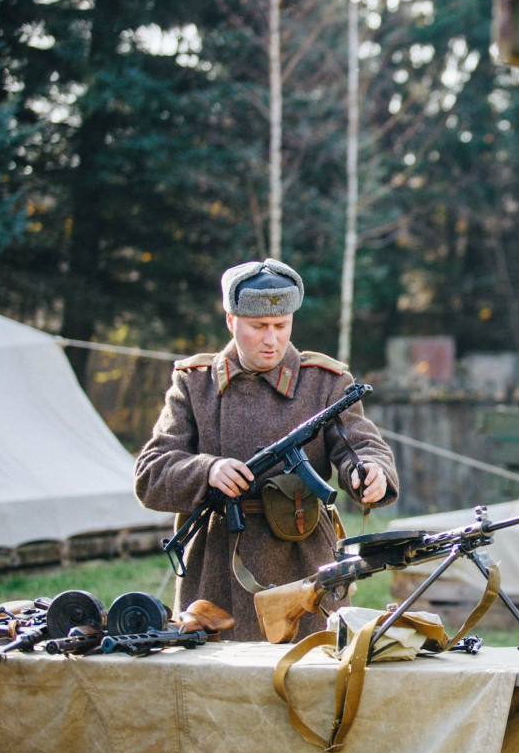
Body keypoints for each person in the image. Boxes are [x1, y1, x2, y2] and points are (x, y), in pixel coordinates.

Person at [135, 258, 399, 641]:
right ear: (231, 321)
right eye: (258, 327)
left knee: (311, 679)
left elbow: (360, 447)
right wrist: (207, 470)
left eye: (281, 326)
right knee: (213, 687)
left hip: (304, 563)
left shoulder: (324, 383)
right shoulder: (195, 385)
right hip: (215, 567)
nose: (272, 339)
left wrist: (371, 472)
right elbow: (150, 474)